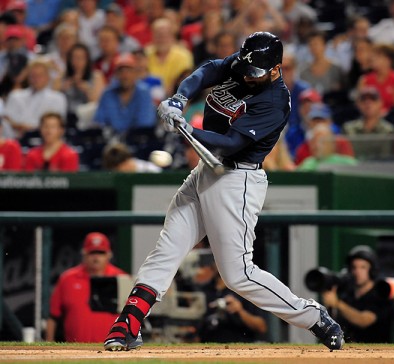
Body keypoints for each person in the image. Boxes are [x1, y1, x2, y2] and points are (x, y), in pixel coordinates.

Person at [103, 31, 344, 352]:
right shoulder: (247, 62)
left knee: (238, 275)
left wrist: (190, 128)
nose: (247, 75)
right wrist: (179, 99)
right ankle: (128, 324)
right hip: (207, 170)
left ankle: (313, 317)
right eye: (245, 67)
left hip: (237, 180)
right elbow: (208, 70)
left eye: (255, 72)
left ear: (276, 69)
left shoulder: (275, 101)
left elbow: (233, 142)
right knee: (167, 248)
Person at [46, 232, 129, 343]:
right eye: (92, 252)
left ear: (109, 255)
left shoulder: (121, 278)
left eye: (100, 252)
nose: (96, 257)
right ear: (84, 254)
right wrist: (48, 343)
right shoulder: (67, 279)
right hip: (75, 349)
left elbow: (133, 317)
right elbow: (53, 316)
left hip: (113, 347)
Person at [322, 246, 394, 343]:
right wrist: (330, 307)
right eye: (354, 267)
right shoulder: (347, 294)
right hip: (349, 351)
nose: (357, 272)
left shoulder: (381, 293)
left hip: (377, 351)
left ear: (372, 270)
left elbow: (364, 320)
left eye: (363, 267)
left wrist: (337, 304)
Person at [191, 249, 268, 343]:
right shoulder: (202, 291)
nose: (221, 264)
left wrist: (240, 311)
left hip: (240, 346)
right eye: (217, 259)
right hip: (208, 347)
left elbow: (261, 327)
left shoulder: (244, 290)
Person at [93, 53, 156, 136]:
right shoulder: (107, 94)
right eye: (121, 71)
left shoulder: (144, 93)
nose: (125, 76)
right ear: (116, 74)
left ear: (135, 74)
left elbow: (145, 124)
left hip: (137, 140)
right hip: (111, 141)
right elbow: (99, 122)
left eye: (129, 71)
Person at [3, 59, 67, 139]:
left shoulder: (58, 98)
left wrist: (27, 128)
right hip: (15, 138)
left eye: (40, 75)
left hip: (42, 139)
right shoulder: (15, 95)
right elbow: (7, 120)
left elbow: (55, 125)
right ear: (28, 77)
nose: (36, 79)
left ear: (48, 77)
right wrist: (18, 126)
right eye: (33, 75)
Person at [342, 87, 394, 161]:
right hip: (354, 170)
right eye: (363, 100)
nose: (368, 103)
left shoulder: (389, 130)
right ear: (358, 104)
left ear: (380, 103)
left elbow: (387, 158)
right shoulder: (348, 129)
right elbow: (346, 158)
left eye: (373, 99)